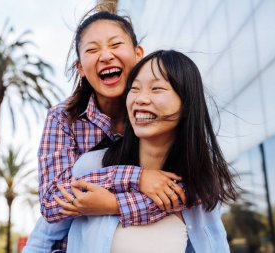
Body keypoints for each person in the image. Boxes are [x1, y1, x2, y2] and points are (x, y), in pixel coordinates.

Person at [23, 6, 187, 253]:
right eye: (92, 49)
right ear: (80, 68)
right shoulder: (63, 118)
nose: (106, 55)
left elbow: (186, 194)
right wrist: (137, 177)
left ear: (138, 53)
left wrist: (112, 203)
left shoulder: (161, 113)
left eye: (115, 44)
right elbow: (53, 202)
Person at [54, 49, 238, 253]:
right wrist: (134, 178)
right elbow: (46, 227)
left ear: (187, 104)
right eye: (134, 89)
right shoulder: (91, 166)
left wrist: (114, 204)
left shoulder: (198, 187)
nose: (140, 99)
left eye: (157, 88)